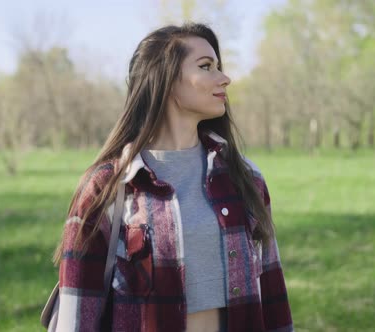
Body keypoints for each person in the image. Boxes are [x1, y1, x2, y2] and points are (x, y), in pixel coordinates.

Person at [51, 22, 293, 332]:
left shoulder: (245, 179)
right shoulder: (106, 187)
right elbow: (76, 314)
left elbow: (273, 294)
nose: (225, 78)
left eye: (219, 66)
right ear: (165, 80)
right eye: (206, 67)